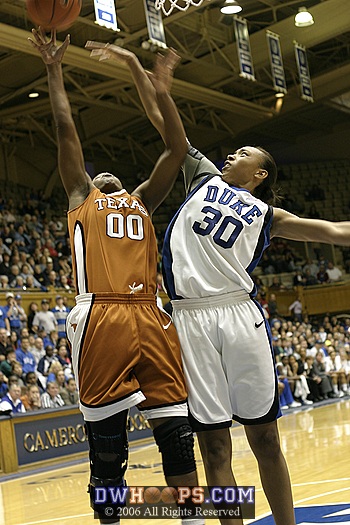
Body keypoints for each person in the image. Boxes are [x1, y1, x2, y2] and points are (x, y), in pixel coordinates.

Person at [96, 43, 350, 523]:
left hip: (237, 314)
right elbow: (162, 122)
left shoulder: (271, 216)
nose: (231, 153)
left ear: (258, 174)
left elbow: (335, 232)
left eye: (244, 153)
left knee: (265, 438)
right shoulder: (202, 177)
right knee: (214, 445)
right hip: (188, 317)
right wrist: (140, 71)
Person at [30, 29, 203, 525]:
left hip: (150, 313)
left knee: (177, 436)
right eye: (96, 173)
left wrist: (163, 92)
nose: (106, 176)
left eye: (114, 176)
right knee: (108, 450)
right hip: (101, 313)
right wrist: (53, 68)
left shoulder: (143, 201)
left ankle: (190, 518)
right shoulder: (82, 197)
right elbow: (66, 130)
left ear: (127, 187)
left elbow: (175, 147)